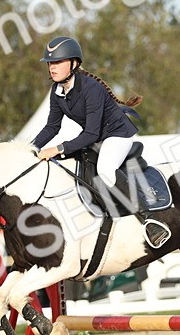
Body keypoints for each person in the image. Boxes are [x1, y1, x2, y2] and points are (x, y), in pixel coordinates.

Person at [30, 35, 171, 248]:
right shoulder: (57, 91)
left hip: (117, 134)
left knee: (105, 169)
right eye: (50, 63)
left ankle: (149, 220)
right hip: (96, 137)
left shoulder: (90, 88)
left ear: (74, 64)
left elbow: (91, 134)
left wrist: (58, 148)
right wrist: (29, 148)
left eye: (58, 62)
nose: (52, 67)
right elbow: (52, 127)